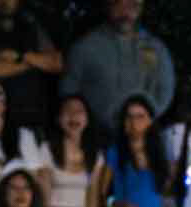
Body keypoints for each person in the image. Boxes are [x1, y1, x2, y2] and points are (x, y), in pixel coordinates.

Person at [60, 0, 176, 131]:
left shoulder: (155, 48)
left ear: (140, 9)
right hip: (96, 135)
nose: (125, 12)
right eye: (118, 5)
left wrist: (142, 120)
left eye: (132, 6)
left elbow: (165, 90)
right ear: (108, 6)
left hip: (143, 136)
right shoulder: (85, 47)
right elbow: (68, 92)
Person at [0, 0, 62, 133]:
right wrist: (35, 62)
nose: (4, 2)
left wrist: (21, 56)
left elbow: (56, 63)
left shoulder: (31, 24)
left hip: (33, 117)